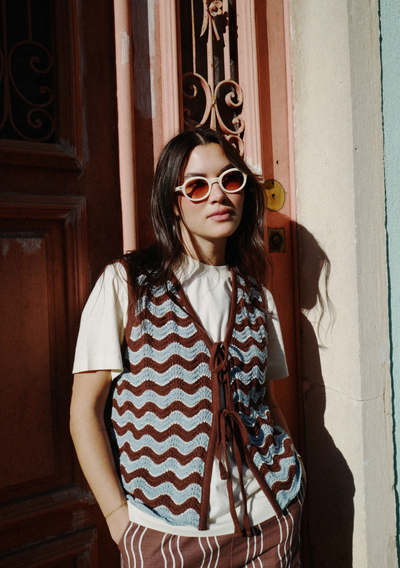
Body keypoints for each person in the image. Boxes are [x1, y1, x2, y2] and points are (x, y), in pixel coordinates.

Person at [70, 127, 305, 567]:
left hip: (270, 525)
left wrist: (293, 482)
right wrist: (120, 521)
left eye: (230, 179)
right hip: (166, 538)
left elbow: (266, 404)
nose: (218, 195)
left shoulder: (257, 297)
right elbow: (84, 410)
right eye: (197, 185)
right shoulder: (127, 284)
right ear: (173, 202)